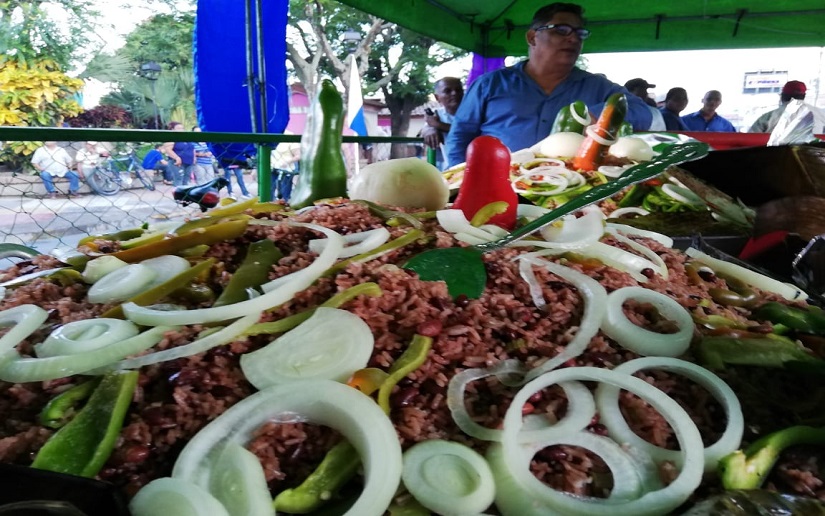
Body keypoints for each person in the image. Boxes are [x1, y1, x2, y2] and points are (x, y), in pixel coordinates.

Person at [446, 2, 653, 167]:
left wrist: (598, 116)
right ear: (532, 37)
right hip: (496, 188)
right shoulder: (490, 85)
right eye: (561, 30)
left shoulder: (597, 86)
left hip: (570, 193)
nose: (573, 39)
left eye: (580, 33)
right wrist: (459, 185)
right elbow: (459, 140)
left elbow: (642, 111)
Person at [421, 77, 464, 170]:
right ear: (437, 97)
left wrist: (438, 125)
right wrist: (430, 128)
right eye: (447, 91)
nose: (454, 93)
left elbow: (468, 132)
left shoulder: (475, 112)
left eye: (458, 90)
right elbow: (425, 129)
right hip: (452, 170)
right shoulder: (437, 115)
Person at [165, 121, 196, 186]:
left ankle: (185, 194)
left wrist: (194, 158)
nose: (181, 130)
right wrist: (176, 157)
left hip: (189, 162)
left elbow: (192, 148)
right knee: (179, 179)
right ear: (172, 129)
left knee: (186, 180)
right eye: (178, 128)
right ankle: (178, 194)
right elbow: (168, 149)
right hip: (177, 162)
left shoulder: (186, 138)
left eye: (182, 128)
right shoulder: (171, 137)